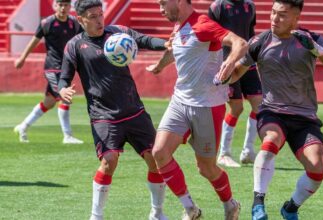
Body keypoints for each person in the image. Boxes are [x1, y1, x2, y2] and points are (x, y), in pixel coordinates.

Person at [58, 0, 169, 219]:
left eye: (101, 14)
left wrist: (165, 44)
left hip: (134, 110)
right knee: (109, 161)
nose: (100, 20)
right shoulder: (74, 46)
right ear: (80, 20)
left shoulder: (118, 33)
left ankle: (157, 213)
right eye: (93, 16)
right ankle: (96, 216)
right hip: (103, 116)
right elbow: (64, 78)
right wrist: (62, 90)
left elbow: (144, 40)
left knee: (156, 161)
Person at [230, 0, 323, 219]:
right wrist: (222, 75)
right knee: (270, 141)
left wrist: (316, 50)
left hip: (305, 117)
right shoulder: (260, 41)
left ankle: (290, 208)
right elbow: (235, 73)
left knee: (317, 166)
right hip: (272, 112)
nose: (274, 19)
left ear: (296, 18)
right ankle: (258, 204)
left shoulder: (312, 39)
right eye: (272, 13)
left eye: (281, 15)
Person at [146, 0, 248, 219]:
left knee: (206, 168)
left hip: (207, 107)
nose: (160, 9)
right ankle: (190, 208)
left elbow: (240, 43)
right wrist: (160, 65)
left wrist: (229, 63)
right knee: (159, 153)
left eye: (164, 3)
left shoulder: (202, 25)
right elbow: (175, 50)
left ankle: (230, 204)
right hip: (180, 102)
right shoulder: (179, 25)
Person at [13, 0, 84, 144]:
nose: (63, 8)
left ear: (70, 7)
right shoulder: (47, 23)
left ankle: (23, 126)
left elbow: (84, 41)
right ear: (55, 6)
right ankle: (67, 136)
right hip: (52, 67)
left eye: (66, 5)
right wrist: (22, 58)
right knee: (66, 96)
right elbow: (34, 41)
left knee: (49, 102)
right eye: (60, 4)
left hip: (66, 68)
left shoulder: (74, 24)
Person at [208, 0, 262, 168]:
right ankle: (224, 153)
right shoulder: (218, 7)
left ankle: (248, 151)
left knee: (259, 106)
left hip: (247, 62)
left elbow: (251, 34)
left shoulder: (250, 6)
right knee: (236, 108)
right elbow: (211, 35)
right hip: (226, 62)